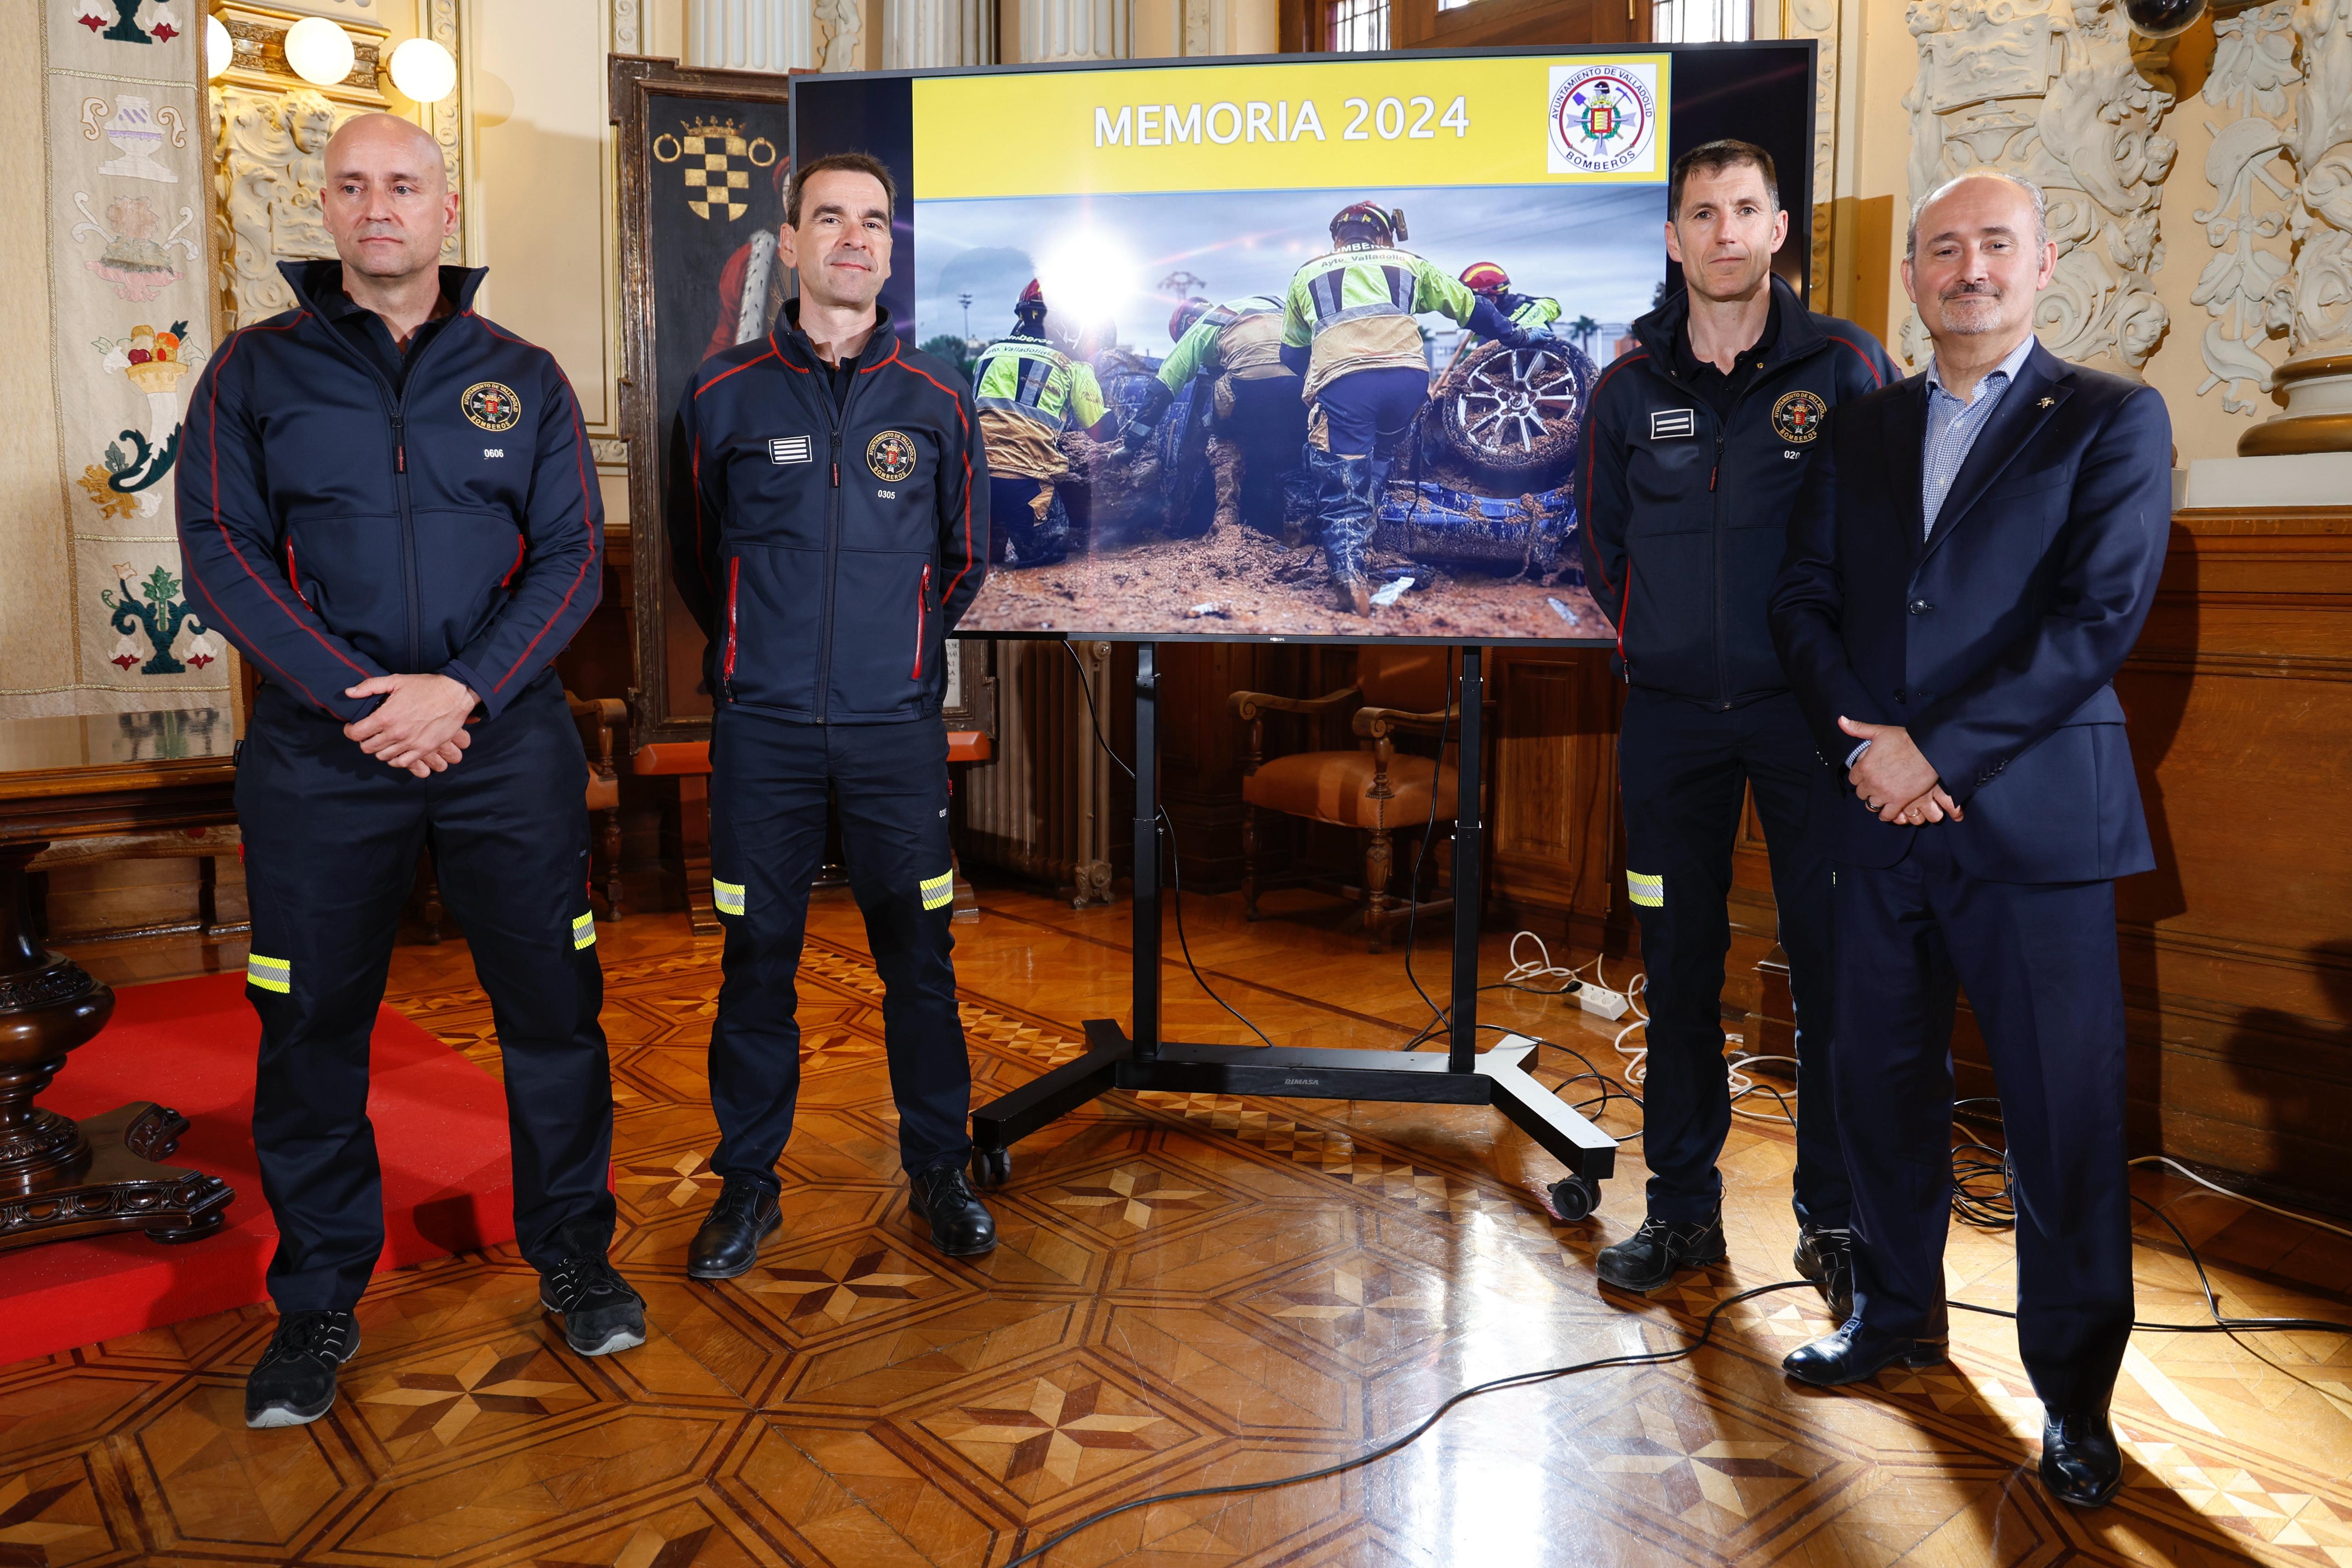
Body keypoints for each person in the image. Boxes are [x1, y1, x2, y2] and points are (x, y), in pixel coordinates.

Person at [176, 113, 633, 1429]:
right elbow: (220, 553)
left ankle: (574, 1253)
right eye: (354, 185)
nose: (379, 205)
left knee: (554, 1013)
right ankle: (319, 1296)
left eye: (405, 185)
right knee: (311, 1027)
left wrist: (464, 689)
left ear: (446, 211)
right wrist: (363, 698)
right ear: (326, 208)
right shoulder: (252, 371)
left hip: (507, 747)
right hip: (323, 755)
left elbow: (572, 559)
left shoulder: (524, 375)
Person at [1767, 171, 2171, 1510]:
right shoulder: (1859, 426)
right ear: (1913, 279)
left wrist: (1926, 752)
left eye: (1994, 244)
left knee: (2060, 1118)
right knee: (1876, 1089)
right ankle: (1892, 1318)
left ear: (2041, 262)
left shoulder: (2110, 416)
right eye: (1942, 249)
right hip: (1873, 818)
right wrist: (1862, 749)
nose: (1967, 268)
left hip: (2035, 826)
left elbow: (2094, 618)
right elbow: (1800, 599)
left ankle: (2072, 1397)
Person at [1574, 140, 1895, 1319]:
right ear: (1674, 239)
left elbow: (1888, 540)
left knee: (1832, 973)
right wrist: (1653, 643)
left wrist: (1854, 694)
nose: (1722, 233)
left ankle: (1836, 1222)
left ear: (1776, 230)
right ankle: (1680, 1209)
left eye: (1743, 210)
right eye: (1701, 213)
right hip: (1668, 728)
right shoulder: (1624, 387)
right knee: (1677, 969)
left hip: (1810, 725)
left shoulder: (1845, 366)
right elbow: (1599, 547)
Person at [666, 151, 994, 1279]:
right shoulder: (720, 393)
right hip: (760, 735)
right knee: (756, 962)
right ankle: (748, 1185)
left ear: (889, 248)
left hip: (893, 734)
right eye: (831, 218)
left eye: (874, 222)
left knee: (922, 961)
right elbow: (698, 555)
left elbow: (962, 559)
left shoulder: (938, 397)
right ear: (793, 240)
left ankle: (939, 1167)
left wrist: (894, 656)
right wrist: (760, 652)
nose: (854, 238)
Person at [1279, 201, 1532, 613]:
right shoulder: (1408, 262)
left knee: (1344, 482)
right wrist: (1516, 336)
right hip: (1408, 382)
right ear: (1383, 235)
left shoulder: (1307, 274)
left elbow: (1290, 353)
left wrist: (1324, 379)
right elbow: (1471, 307)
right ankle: (1368, 538)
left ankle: (1350, 576)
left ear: (1337, 238)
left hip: (1347, 386)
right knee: (1380, 456)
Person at [970, 281, 1117, 566]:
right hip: (1025, 485)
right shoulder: (1072, 362)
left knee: (985, 562)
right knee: (1050, 553)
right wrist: (1114, 417)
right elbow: (1100, 431)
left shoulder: (989, 355)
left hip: (973, 481)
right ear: (1064, 320)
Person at [1140, 295, 1303, 536]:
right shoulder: (1271, 305)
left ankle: (1226, 517)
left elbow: (1162, 388)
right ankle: (1301, 527)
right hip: (1299, 377)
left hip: (1247, 380)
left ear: (1189, 322)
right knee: (1293, 451)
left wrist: (1131, 443)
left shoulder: (1201, 326)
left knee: (1221, 431)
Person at [1456, 261, 1561, 351]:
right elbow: (1555, 307)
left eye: (1473, 302)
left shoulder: (1493, 333)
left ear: (1492, 299)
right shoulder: (1531, 303)